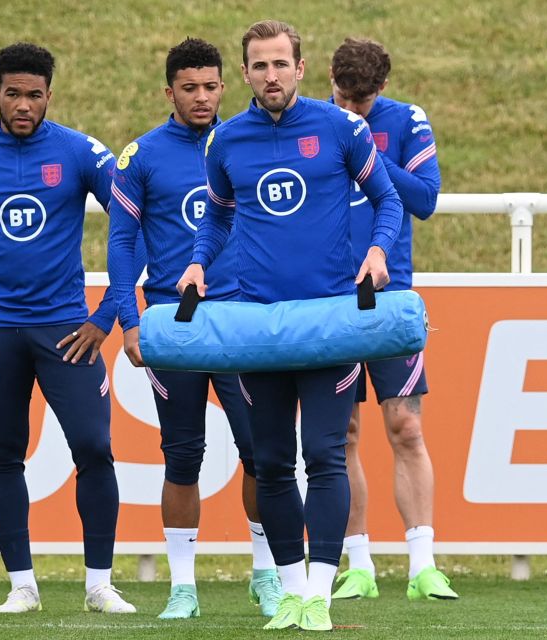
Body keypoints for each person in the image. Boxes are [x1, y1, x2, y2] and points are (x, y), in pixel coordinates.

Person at [176, 20, 403, 632]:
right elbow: (219, 217)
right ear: (245, 74)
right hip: (261, 328)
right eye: (259, 66)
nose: (270, 76)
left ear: (301, 70)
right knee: (272, 463)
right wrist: (199, 261)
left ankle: (321, 596)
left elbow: (388, 200)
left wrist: (379, 251)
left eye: (280, 64)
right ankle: (293, 590)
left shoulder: (341, 130)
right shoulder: (225, 142)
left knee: (324, 457)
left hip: (329, 322)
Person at [0, 42, 137, 615]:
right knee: (3, 455)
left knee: (95, 448)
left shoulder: (79, 153)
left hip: (66, 329)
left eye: (35, 95)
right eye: (13, 94)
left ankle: (99, 584)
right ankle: (22, 584)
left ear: (50, 95)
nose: (24, 105)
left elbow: (132, 227)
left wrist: (105, 317)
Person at [107, 37, 283, 620]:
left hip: (241, 322)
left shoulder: (244, 144)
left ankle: (265, 575)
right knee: (183, 455)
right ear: (169, 92)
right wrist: (129, 322)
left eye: (211, 86)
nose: (202, 97)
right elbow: (122, 243)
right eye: (190, 87)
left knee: (262, 454)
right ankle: (183, 587)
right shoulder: (142, 157)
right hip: (175, 327)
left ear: (224, 87)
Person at [327, 37, 459, 602]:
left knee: (406, 426)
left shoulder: (406, 120)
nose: (352, 110)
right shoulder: (308, 125)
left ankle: (423, 565)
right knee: (344, 432)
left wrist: (368, 155)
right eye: (344, 97)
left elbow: (426, 199)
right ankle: (358, 564)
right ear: (328, 80)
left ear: (381, 89)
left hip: (390, 295)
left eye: (362, 100)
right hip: (327, 296)